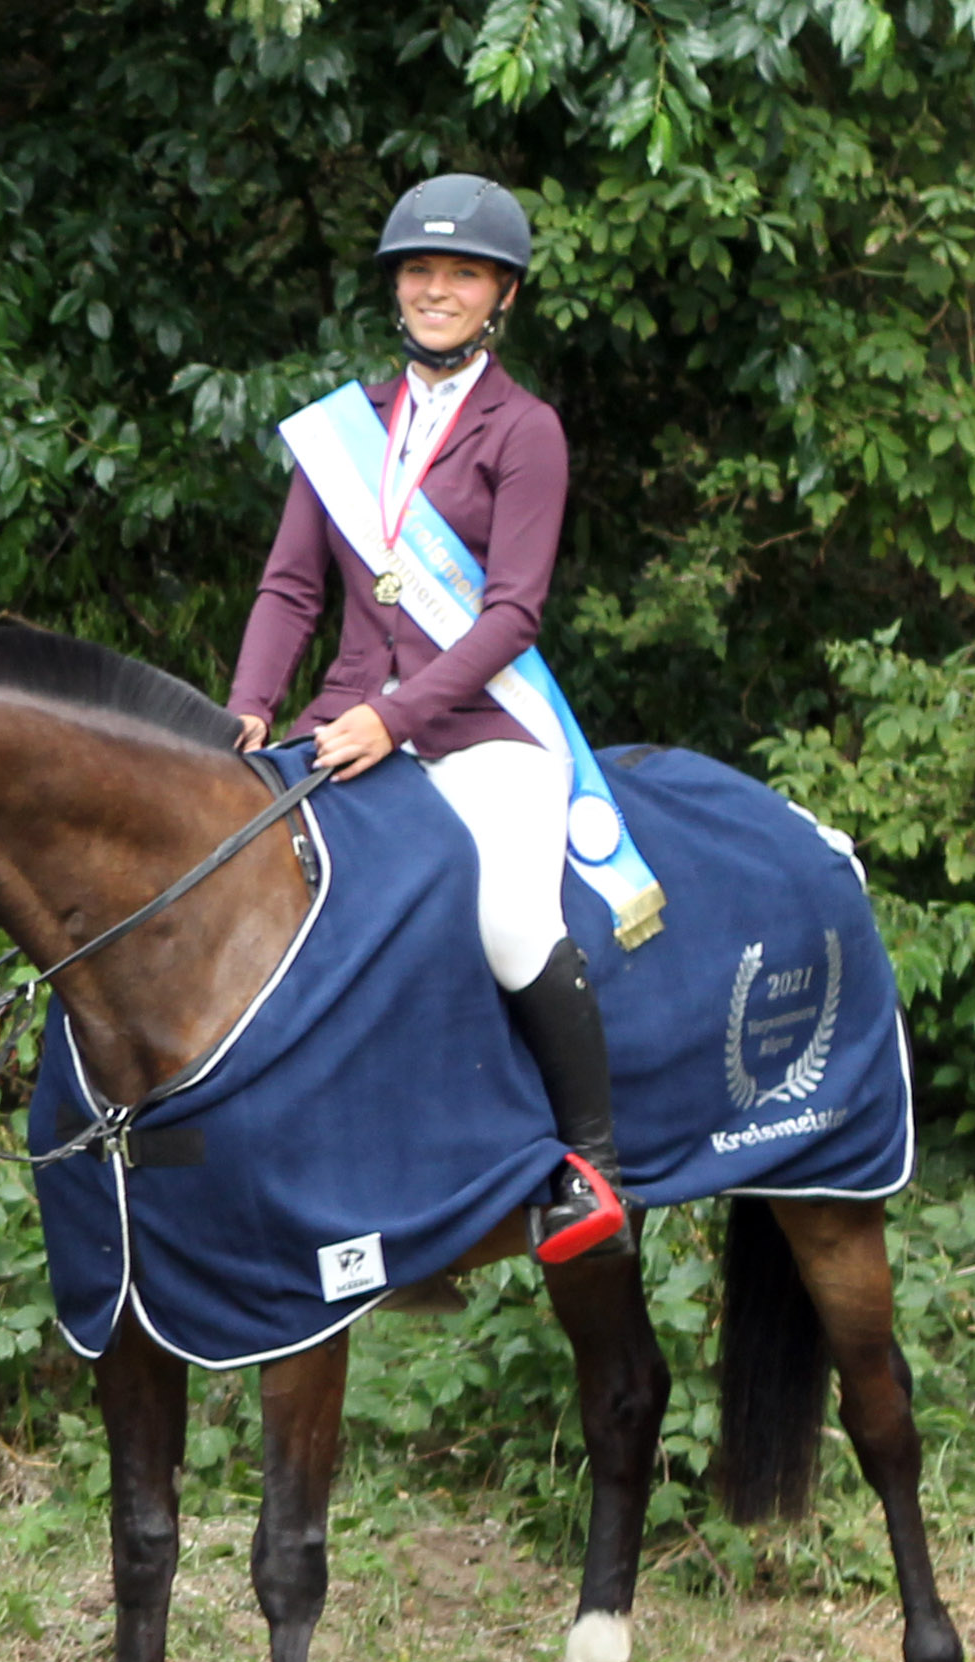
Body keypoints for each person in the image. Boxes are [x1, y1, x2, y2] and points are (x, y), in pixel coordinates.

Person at [228, 172, 629, 1263]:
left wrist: (396, 720)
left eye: (461, 274)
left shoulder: (525, 430)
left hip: (481, 731)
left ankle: (590, 1166)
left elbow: (513, 614)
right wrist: (251, 706)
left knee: (507, 919)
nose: (436, 289)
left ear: (500, 294)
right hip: (340, 722)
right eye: (420, 270)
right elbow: (291, 591)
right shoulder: (345, 428)